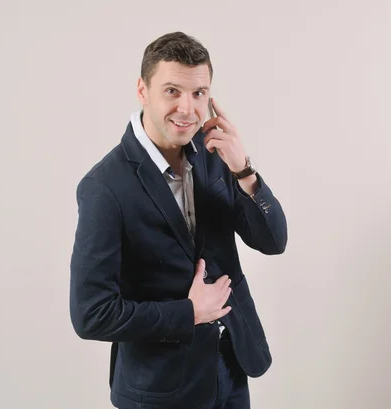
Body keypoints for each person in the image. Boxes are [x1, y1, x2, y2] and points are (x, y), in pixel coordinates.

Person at [69, 31, 288, 409]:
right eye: (172, 91)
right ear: (143, 90)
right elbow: (91, 314)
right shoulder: (104, 187)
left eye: (199, 93)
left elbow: (273, 241)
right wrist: (188, 314)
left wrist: (244, 170)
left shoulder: (214, 153)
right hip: (161, 389)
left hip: (231, 365)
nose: (188, 109)